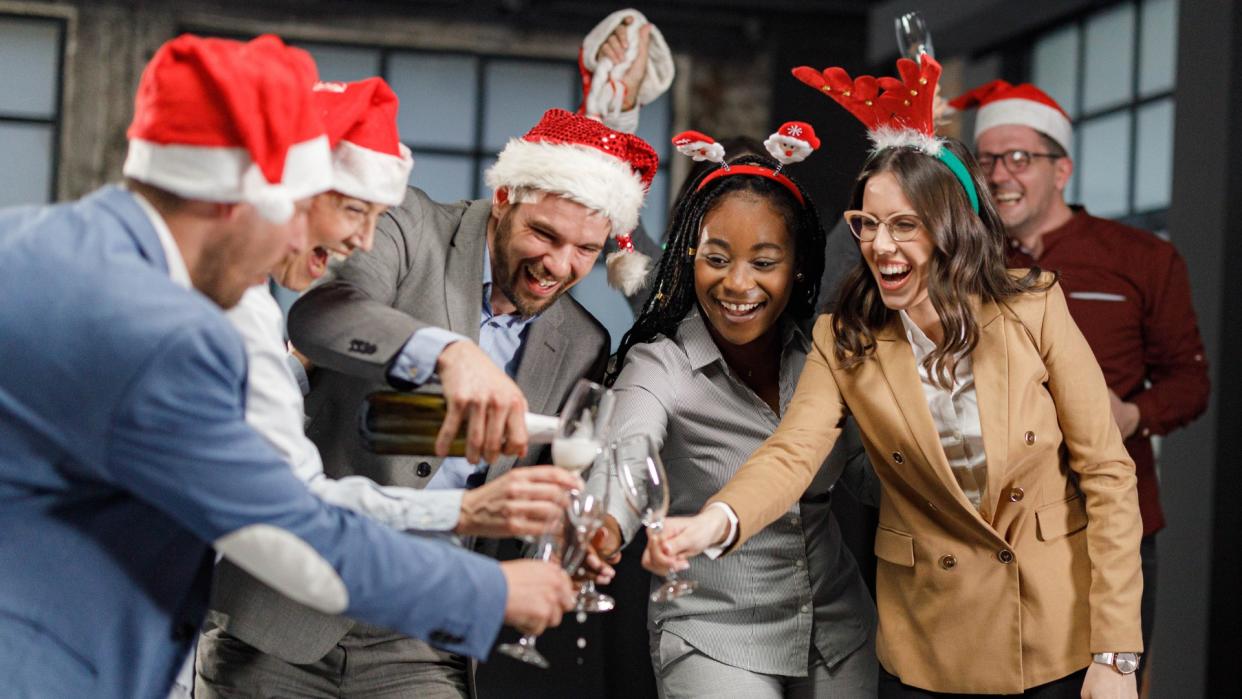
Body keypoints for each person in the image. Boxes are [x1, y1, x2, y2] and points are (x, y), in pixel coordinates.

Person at [0, 34, 573, 699]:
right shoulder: (172, 335)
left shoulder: (25, 240)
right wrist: (491, 588)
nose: (310, 242)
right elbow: (289, 536)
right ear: (241, 199)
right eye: (302, 210)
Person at [645, 56, 1144, 698]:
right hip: (930, 641)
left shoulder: (1034, 305)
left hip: (1057, 629)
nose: (881, 246)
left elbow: (1106, 472)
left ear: (951, 229)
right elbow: (792, 455)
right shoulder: (845, 335)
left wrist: (1117, 654)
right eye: (868, 224)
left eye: (904, 224)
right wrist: (714, 522)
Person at [200, 105, 658, 696]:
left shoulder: (584, 343)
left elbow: (523, 499)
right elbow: (322, 315)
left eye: (586, 251)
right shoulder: (408, 222)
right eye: (543, 234)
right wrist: (444, 352)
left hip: (424, 639)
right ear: (505, 197)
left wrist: (568, 540)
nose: (558, 265)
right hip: (287, 610)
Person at [590, 129, 880, 696]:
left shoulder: (826, 355)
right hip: (713, 633)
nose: (737, 284)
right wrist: (600, 528)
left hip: (839, 631)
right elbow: (625, 456)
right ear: (688, 258)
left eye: (764, 261)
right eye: (717, 259)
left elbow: (876, 480)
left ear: (797, 267)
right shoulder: (661, 366)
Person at [951, 80, 1210, 674]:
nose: (999, 174)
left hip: (1110, 524)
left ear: (1061, 169)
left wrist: (1134, 415)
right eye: (987, 159)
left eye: (1020, 158)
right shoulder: (964, 262)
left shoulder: (1143, 258)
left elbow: (1189, 380)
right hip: (992, 525)